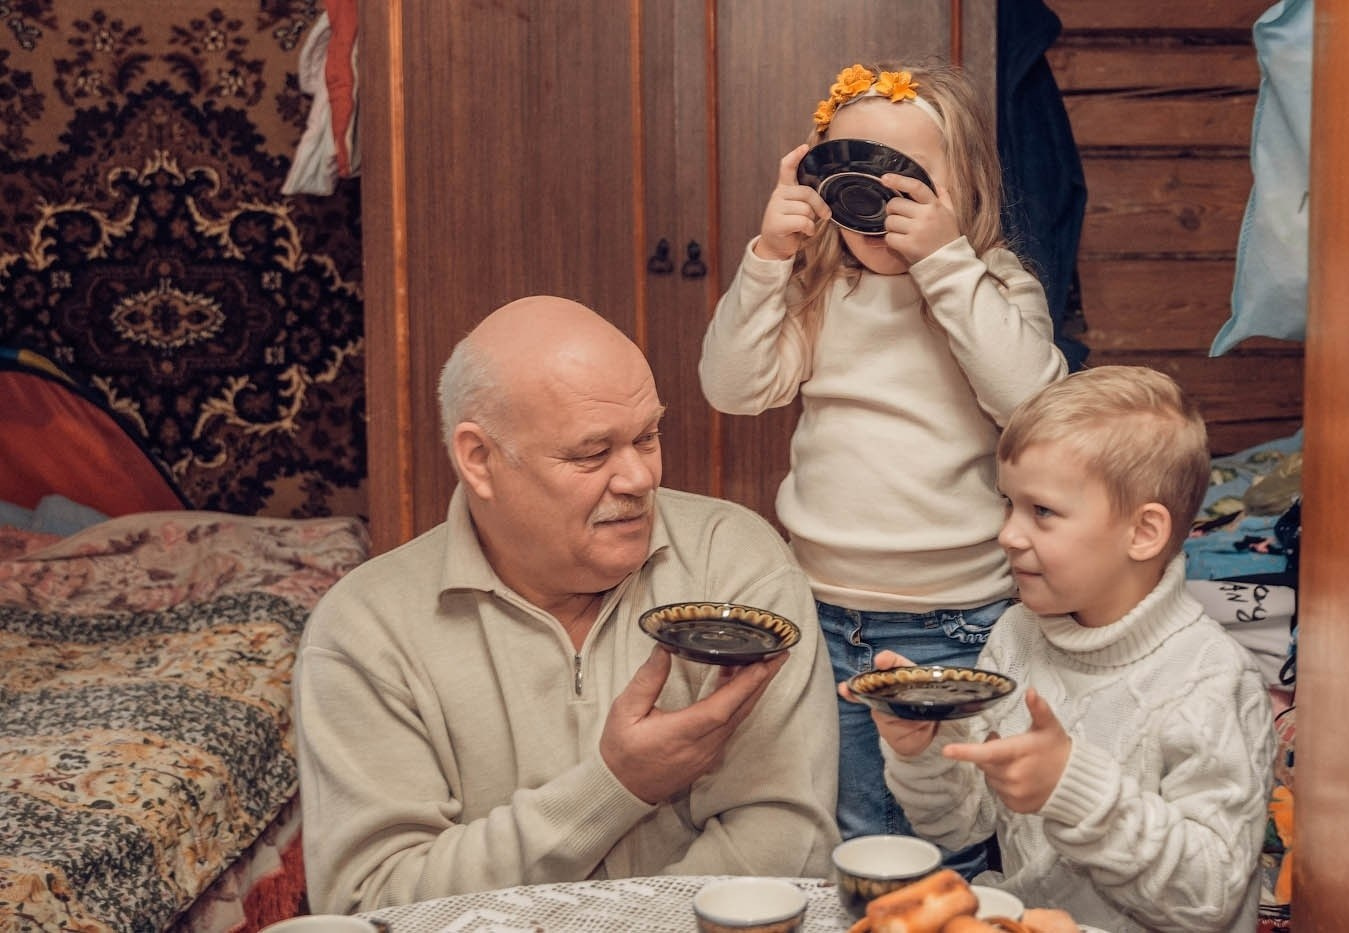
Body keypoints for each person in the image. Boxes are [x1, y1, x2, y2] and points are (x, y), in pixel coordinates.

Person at [294, 296, 840, 913]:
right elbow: (375, 902)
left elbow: (787, 839)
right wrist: (615, 786)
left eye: (647, 437)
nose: (639, 478)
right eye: (591, 453)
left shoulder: (734, 562)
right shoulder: (365, 629)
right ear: (480, 460)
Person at [698, 60, 1068, 868]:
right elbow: (729, 388)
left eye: (907, 182)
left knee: (957, 822)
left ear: (960, 187)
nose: (880, 201)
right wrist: (768, 254)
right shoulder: (823, 290)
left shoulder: (994, 287)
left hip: (959, 618)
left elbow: (1030, 404)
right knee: (853, 824)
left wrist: (944, 265)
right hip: (824, 613)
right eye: (855, 176)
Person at [847, 366, 1277, 932]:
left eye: (1041, 512)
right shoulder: (1016, 636)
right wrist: (925, 747)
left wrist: (1073, 788)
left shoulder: (1215, 681)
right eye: (1008, 504)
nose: (1007, 534)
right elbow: (959, 826)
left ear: (1143, 532)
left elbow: (1209, 898)